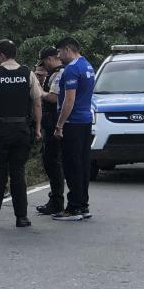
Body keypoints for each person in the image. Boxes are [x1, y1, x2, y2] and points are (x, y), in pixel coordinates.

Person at [0, 39, 42, 228]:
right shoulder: (28, 74)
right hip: (21, 129)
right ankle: (22, 217)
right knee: (18, 173)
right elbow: (37, 103)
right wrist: (37, 128)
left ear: (1, 56)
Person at [52, 36, 96, 222]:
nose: (59, 57)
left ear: (68, 49)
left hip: (73, 123)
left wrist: (59, 125)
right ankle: (83, 204)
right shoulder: (87, 65)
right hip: (85, 121)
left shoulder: (71, 70)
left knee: (72, 166)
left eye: (60, 52)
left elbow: (69, 101)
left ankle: (74, 207)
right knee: (83, 164)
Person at [35, 46, 66, 215]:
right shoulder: (56, 73)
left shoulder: (59, 74)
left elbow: (54, 98)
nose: (44, 67)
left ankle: (57, 201)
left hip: (55, 123)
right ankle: (55, 199)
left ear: (49, 59)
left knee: (53, 163)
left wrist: (40, 91)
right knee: (51, 162)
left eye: (44, 63)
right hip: (52, 124)